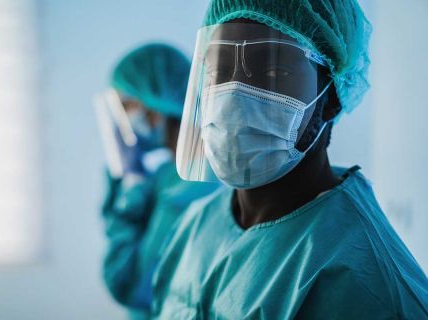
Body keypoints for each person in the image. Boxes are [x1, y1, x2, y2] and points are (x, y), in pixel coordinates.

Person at [152, 1, 428, 319]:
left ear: (331, 99)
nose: (232, 99)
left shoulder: (370, 291)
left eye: (273, 71)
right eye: (217, 72)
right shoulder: (198, 226)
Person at [99, 43, 219, 319]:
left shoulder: (196, 181)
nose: (122, 121)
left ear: (157, 103)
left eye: (127, 105)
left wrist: (134, 182)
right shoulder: (167, 174)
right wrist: (129, 180)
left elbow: (130, 287)